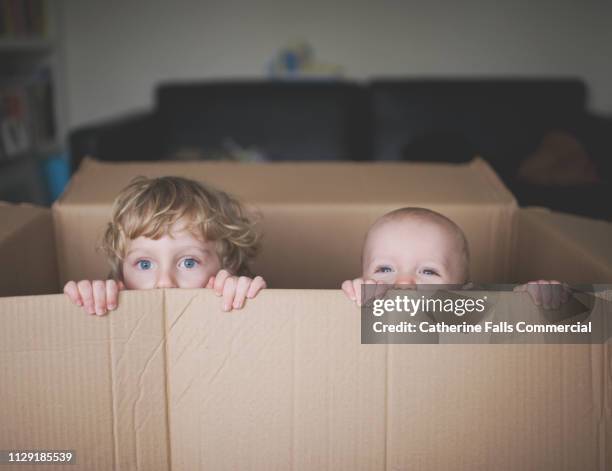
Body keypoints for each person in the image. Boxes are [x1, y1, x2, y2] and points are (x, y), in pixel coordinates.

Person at [64, 176, 266, 315]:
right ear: (121, 275)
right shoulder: (118, 294)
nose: (165, 282)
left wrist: (244, 296)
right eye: (144, 264)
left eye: (188, 262)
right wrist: (90, 300)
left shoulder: (232, 290)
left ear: (226, 264)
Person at [342, 207, 569, 308]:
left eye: (428, 271)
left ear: (465, 289)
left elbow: (505, 314)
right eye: (384, 269)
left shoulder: (472, 308)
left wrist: (531, 299)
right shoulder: (367, 298)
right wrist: (355, 293)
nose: (403, 283)